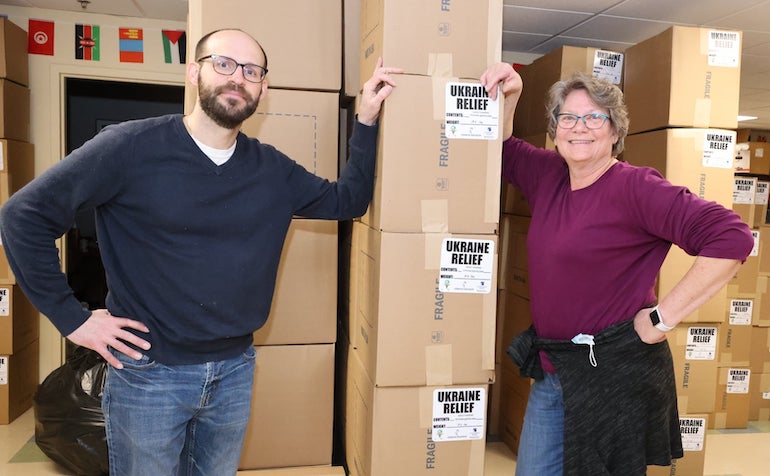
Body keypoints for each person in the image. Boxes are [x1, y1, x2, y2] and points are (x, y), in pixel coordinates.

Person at [0, 28, 402, 476]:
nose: (238, 78)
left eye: (252, 71)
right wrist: (72, 319)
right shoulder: (129, 147)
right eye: (224, 64)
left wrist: (365, 120)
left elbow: (348, 200)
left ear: (263, 88)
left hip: (235, 370)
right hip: (148, 374)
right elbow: (22, 216)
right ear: (194, 72)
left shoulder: (272, 170)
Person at [480, 63, 754, 476]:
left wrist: (663, 318)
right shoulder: (550, 175)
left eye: (594, 117)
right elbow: (500, 148)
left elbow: (732, 237)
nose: (580, 127)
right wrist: (512, 96)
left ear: (614, 131)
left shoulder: (637, 188)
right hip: (555, 370)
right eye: (568, 117)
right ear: (556, 130)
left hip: (612, 375)